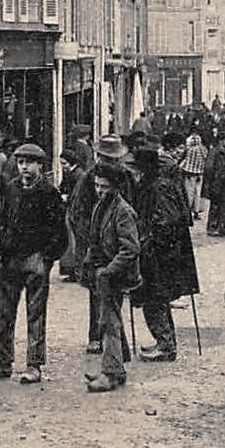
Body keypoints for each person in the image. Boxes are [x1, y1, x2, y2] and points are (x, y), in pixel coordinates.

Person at [0, 143, 66, 384]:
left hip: (35, 259)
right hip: (10, 259)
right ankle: (1, 362)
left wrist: (46, 258)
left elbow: (59, 231)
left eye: (29, 162)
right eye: (20, 162)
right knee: (4, 312)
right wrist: (0, 246)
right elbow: (2, 219)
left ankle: (34, 365)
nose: (24, 167)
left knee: (35, 314)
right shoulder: (11, 188)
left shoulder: (49, 193)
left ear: (40, 165)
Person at [130, 138, 198, 363]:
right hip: (162, 254)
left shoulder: (157, 188)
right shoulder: (158, 184)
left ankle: (166, 346)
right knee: (156, 299)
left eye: (136, 169)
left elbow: (166, 222)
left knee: (154, 299)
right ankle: (164, 341)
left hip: (160, 257)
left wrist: (147, 242)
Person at [83, 161, 143, 393]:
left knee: (109, 322)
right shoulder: (101, 206)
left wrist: (108, 270)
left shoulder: (123, 211)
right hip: (102, 271)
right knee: (107, 319)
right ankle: (115, 367)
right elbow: (95, 238)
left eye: (104, 187)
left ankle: (111, 372)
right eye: (97, 185)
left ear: (115, 187)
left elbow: (131, 249)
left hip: (117, 274)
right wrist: (90, 263)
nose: (99, 190)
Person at [179, 131, 208, 218]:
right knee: (198, 193)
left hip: (190, 173)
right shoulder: (204, 149)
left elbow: (185, 161)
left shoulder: (190, 150)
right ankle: (196, 211)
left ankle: (188, 211)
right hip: (200, 173)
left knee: (189, 193)